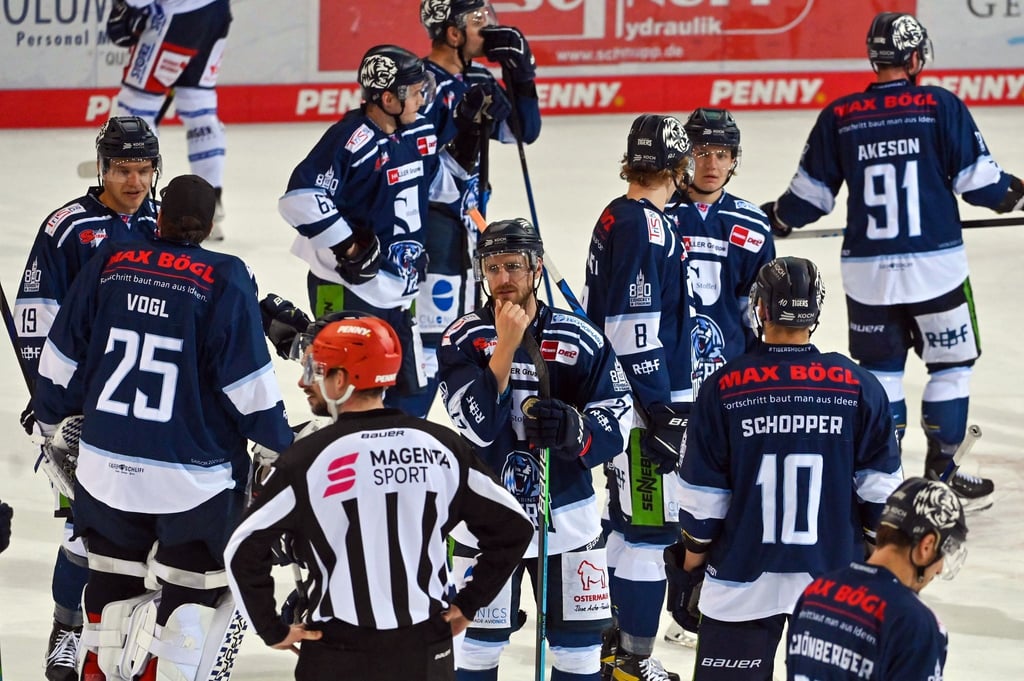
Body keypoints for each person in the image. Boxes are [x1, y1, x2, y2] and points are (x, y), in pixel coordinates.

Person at [32, 174, 294, 680]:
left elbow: (60, 361)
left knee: (109, 591)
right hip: (190, 483)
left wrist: (51, 424)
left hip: (105, 471)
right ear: (212, 224)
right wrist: (282, 447)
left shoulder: (111, 261)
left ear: (159, 216)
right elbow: (250, 389)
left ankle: (97, 669)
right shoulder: (225, 275)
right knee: (195, 596)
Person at [762, 12, 1024, 511]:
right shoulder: (939, 106)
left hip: (870, 276)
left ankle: (887, 482)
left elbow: (808, 200)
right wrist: (1016, 192)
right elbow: (982, 185)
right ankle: (942, 477)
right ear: (915, 58)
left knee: (880, 373)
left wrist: (777, 217)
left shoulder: (841, 115)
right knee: (951, 366)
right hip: (936, 268)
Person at [224, 317, 534, 680]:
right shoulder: (442, 446)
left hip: (338, 652)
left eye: (315, 369)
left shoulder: (307, 458)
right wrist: (469, 603)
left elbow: (242, 549)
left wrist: (271, 628)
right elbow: (514, 527)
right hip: (425, 649)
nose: (304, 381)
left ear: (341, 381)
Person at [675, 256, 904, 680]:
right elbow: (881, 494)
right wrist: (872, 556)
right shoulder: (858, 384)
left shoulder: (724, 386)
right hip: (834, 579)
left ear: (760, 308)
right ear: (815, 312)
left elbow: (703, 500)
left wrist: (690, 565)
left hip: (738, 577)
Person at [437, 218, 633, 681]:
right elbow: (478, 425)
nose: (503, 280)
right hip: (483, 522)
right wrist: (504, 347)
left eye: (514, 266)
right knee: (474, 648)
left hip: (565, 518)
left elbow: (617, 417)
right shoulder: (462, 337)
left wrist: (575, 430)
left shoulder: (579, 337)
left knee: (578, 651)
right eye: (492, 267)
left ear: (537, 268)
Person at [13, 115, 161, 681]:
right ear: (102, 168)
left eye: (144, 169)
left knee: (138, 526)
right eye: (124, 169)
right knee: (82, 528)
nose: (135, 181)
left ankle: (121, 633)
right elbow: (35, 317)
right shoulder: (67, 227)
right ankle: (65, 630)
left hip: (143, 404)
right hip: (82, 407)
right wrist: (50, 406)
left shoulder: (158, 220)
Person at [279, 44, 458, 418]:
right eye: (414, 91)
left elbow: (442, 187)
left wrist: (468, 141)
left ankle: (304, 342)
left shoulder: (417, 131)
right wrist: (347, 246)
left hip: (398, 289)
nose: (422, 96)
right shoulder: (351, 137)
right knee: (340, 391)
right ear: (388, 97)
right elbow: (300, 197)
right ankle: (304, 347)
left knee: (406, 395)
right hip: (346, 286)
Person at [580, 114, 693, 681]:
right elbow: (632, 326)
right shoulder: (647, 227)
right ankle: (633, 665)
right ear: (677, 166)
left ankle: (609, 652)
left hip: (618, 399)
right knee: (649, 535)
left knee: (625, 529)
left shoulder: (614, 215)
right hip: (640, 407)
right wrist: (659, 410)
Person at [663, 107, 775, 649]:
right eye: (701, 152)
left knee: (721, 491)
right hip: (669, 381)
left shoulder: (753, 224)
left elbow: (766, 315)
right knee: (664, 492)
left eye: (722, 154)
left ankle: (711, 598)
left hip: (732, 383)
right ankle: (667, 598)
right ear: (683, 157)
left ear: (734, 161)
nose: (711, 163)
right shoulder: (659, 215)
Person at [412, 0, 542, 417]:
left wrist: (521, 75)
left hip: (471, 218)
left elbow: (525, 131)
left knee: (471, 325)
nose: (489, 29)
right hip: (431, 217)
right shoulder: (419, 82)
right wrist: (462, 123)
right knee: (432, 336)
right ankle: (409, 420)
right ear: (452, 33)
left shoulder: (480, 75)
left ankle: (471, 417)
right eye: (478, 22)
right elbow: (418, 156)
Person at [786, 477, 968, 680]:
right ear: (927, 546)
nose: (940, 569)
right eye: (942, 554)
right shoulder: (914, 623)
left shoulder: (815, 593)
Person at [106, 0, 231, 238]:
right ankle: (209, 206)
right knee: (199, 107)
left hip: (177, 18)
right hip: (215, 13)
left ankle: (133, 206)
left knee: (136, 106)